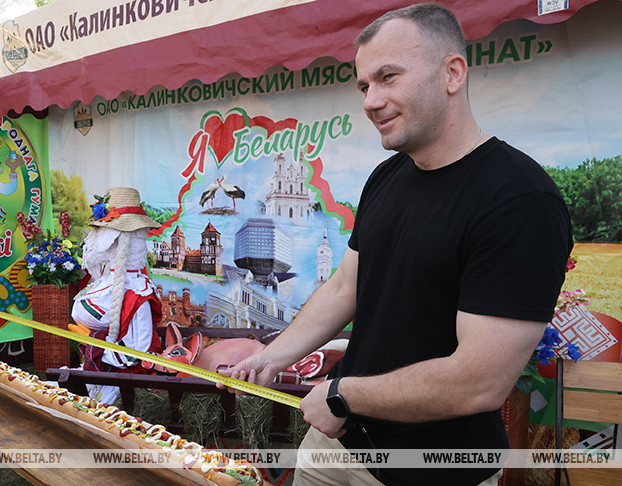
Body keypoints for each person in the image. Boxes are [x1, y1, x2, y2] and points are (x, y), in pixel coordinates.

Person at [220, 4, 572, 485]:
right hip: (336, 441)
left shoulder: (520, 201)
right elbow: (346, 286)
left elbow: (480, 382)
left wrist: (345, 395)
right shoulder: (387, 176)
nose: (369, 100)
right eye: (365, 85)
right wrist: (271, 356)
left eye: (388, 77)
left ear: (452, 73)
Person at [70, 187, 163, 404]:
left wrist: (96, 348)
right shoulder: (108, 282)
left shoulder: (138, 294)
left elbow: (138, 353)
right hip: (109, 366)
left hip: (128, 375)